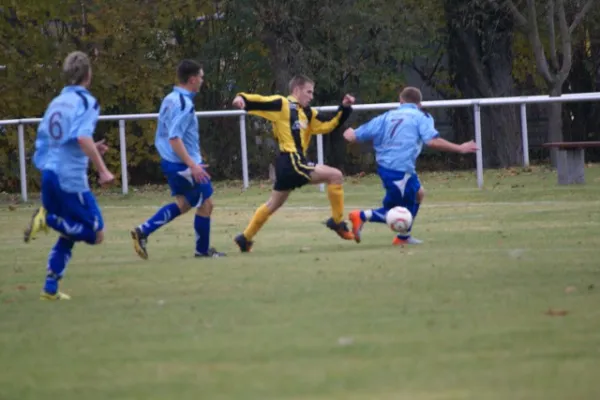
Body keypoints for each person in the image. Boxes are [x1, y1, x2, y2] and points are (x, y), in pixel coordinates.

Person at [231, 74, 356, 252]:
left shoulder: (308, 113)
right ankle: (337, 222)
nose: (311, 96)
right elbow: (259, 101)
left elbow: (328, 124)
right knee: (335, 175)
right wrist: (241, 98)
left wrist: (344, 107)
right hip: (291, 160)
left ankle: (245, 238)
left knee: (273, 204)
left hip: (289, 164)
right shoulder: (282, 104)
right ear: (296, 90)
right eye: (308, 92)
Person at [28, 51, 115, 300]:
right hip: (69, 179)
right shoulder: (86, 101)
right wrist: (102, 169)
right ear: (88, 75)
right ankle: (47, 219)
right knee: (95, 232)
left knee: (70, 233)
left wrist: (89, 149)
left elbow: (50, 139)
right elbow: (81, 137)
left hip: (50, 172)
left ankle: (50, 288)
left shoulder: (57, 102)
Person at [343, 86, 478, 245]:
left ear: (401, 101)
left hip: (390, 167)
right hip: (398, 170)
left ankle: (403, 237)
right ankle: (361, 216)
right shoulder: (422, 117)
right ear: (419, 103)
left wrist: (346, 129)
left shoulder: (386, 116)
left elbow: (351, 136)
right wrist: (460, 148)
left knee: (419, 194)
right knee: (399, 212)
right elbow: (432, 141)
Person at [130, 60, 225, 259]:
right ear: (192, 79)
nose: (202, 80)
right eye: (200, 77)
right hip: (182, 164)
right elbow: (174, 137)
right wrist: (193, 165)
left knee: (184, 204)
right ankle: (202, 251)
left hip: (171, 161)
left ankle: (143, 231)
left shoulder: (170, 98)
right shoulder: (185, 105)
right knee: (206, 204)